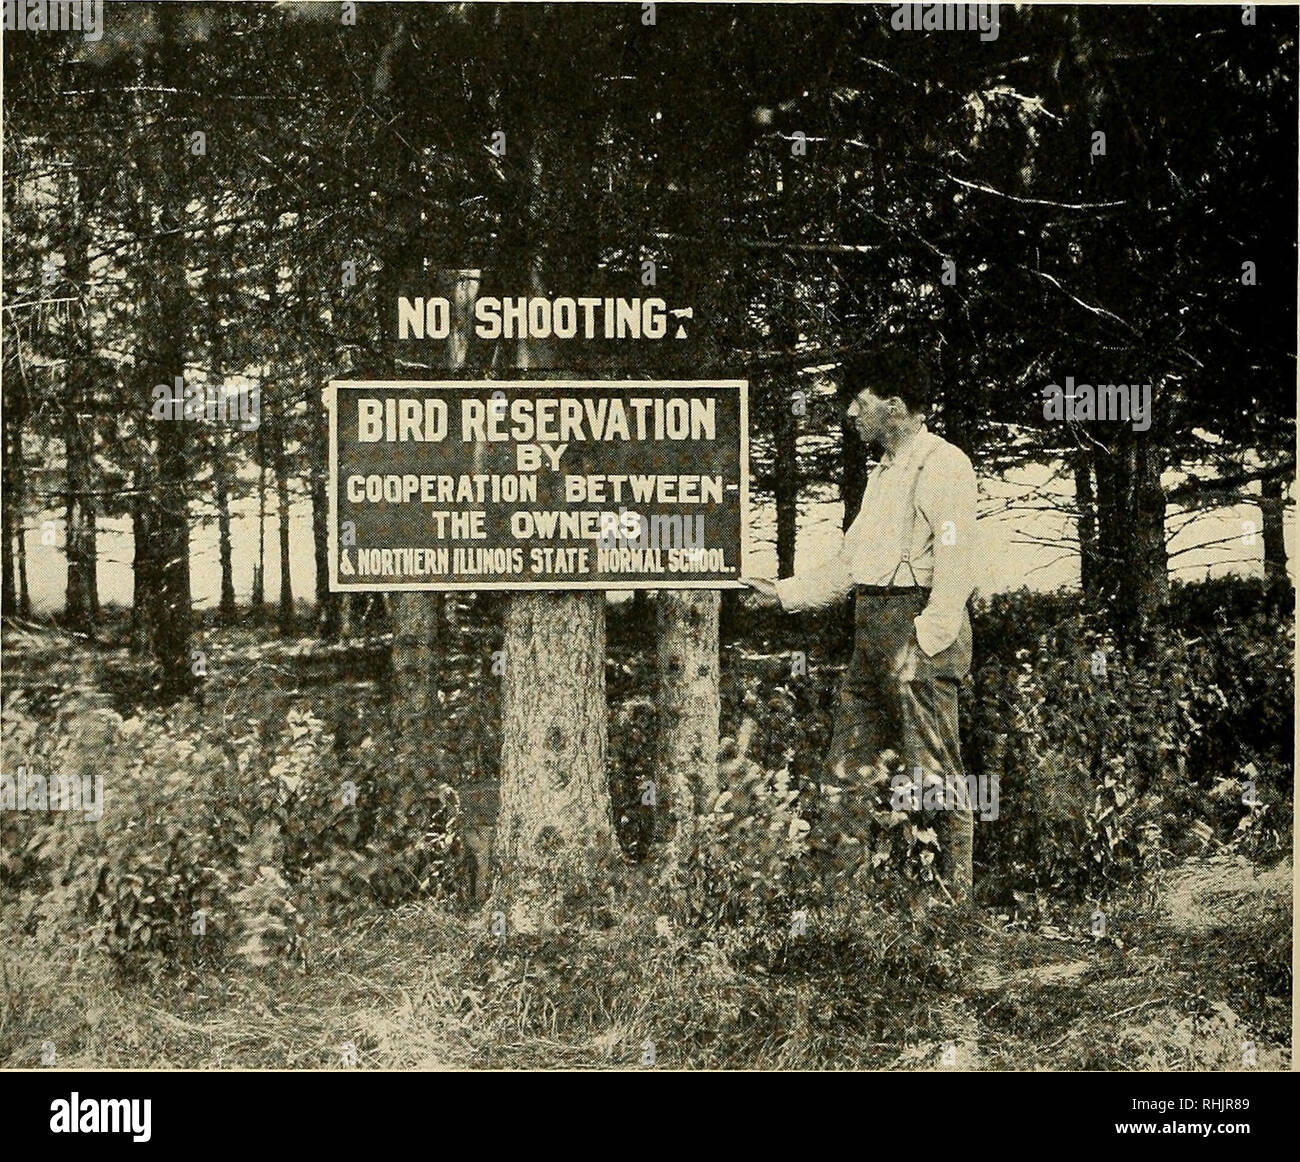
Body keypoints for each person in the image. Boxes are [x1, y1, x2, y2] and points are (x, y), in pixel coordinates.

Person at [745, 342, 979, 905]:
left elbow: (958, 557)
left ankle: (955, 907)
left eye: (860, 401)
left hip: (917, 627)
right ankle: (841, 907)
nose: (850, 414)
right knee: (846, 768)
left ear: (894, 407)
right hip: (870, 629)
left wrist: (927, 638)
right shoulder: (883, 475)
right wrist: (781, 594)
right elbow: (850, 566)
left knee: (935, 770)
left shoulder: (943, 464)